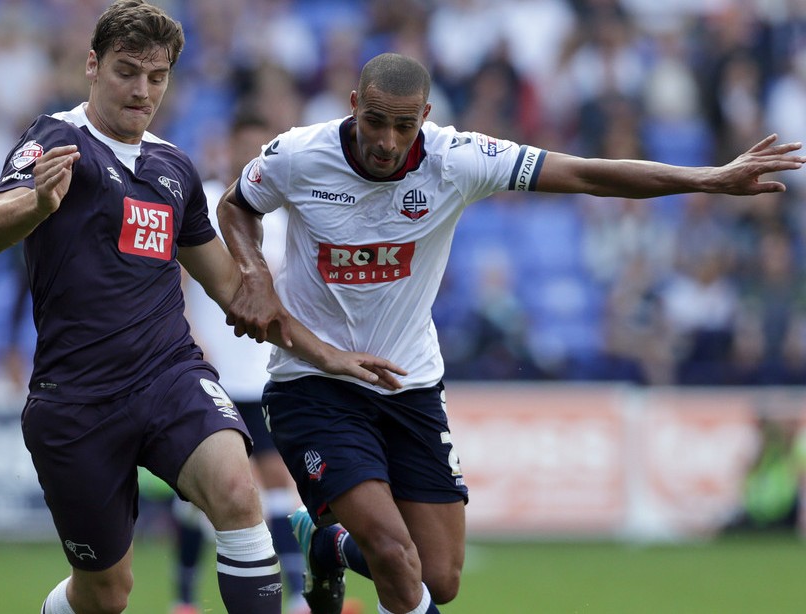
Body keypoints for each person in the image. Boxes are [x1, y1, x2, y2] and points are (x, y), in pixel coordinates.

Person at [216, 52, 805, 614]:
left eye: (402, 126)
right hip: (315, 382)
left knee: (438, 578)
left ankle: (327, 544)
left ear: (424, 117)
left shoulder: (458, 159)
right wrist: (253, 272)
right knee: (396, 557)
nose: (386, 142)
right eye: (374, 122)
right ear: (352, 106)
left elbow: (585, 174)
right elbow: (238, 205)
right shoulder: (298, 154)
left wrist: (708, 178)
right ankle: (348, 544)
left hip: (408, 383)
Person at [0, 4, 403, 614]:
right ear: (92, 66)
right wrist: (37, 204)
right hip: (76, 399)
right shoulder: (57, 139)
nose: (142, 91)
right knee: (106, 593)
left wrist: (327, 354)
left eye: (157, 76)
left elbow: (234, 292)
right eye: (127, 72)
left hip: (168, 376)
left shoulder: (172, 169)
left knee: (236, 489)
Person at [180, 111, 309, 614]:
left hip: (264, 373)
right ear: (229, 147)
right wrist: (188, 334)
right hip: (210, 372)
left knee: (277, 483)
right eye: (246, 146)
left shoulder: (282, 217)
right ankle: (184, 598)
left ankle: (297, 595)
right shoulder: (206, 203)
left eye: (263, 149)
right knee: (197, 495)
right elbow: (180, 279)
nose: (253, 157)